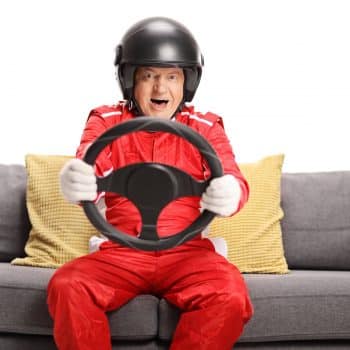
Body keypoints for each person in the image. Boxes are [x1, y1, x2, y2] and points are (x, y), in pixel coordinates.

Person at [47, 17, 253, 350]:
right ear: (129, 80)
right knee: (68, 285)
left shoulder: (206, 125)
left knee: (229, 294)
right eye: (149, 76)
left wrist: (230, 191)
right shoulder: (106, 119)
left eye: (172, 76)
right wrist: (78, 179)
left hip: (187, 253)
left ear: (187, 82)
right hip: (121, 252)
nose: (160, 89)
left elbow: (233, 179)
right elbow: (90, 161)